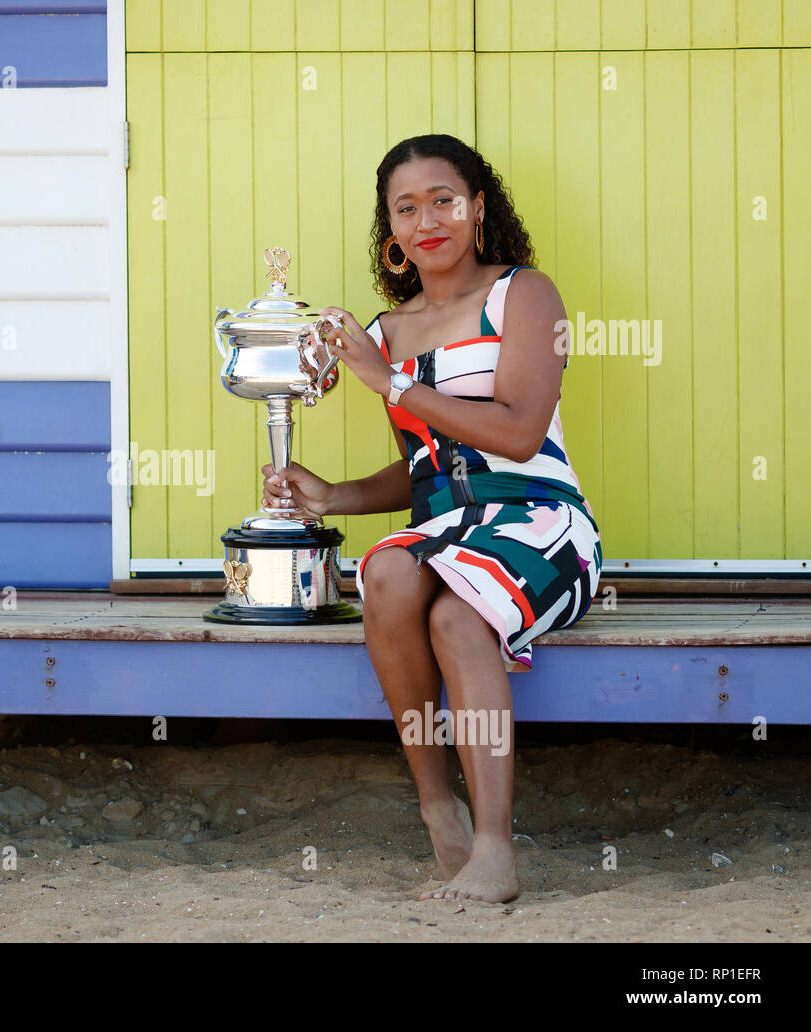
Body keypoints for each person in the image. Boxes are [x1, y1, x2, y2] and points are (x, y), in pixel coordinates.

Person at [260, 134, 602, 904]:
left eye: (444, 200)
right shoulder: (389, 333)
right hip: (447, 526)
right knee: (382, 567)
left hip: (540, 518)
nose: (428, 221)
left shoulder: (524, 294)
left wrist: (389, 383)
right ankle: (437, 804)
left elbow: (515, 432)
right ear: (391, 232)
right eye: (406, 208)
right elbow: (426, 469)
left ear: (478, 208)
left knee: (457, 619)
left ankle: (494, 845)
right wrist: (331, 494)